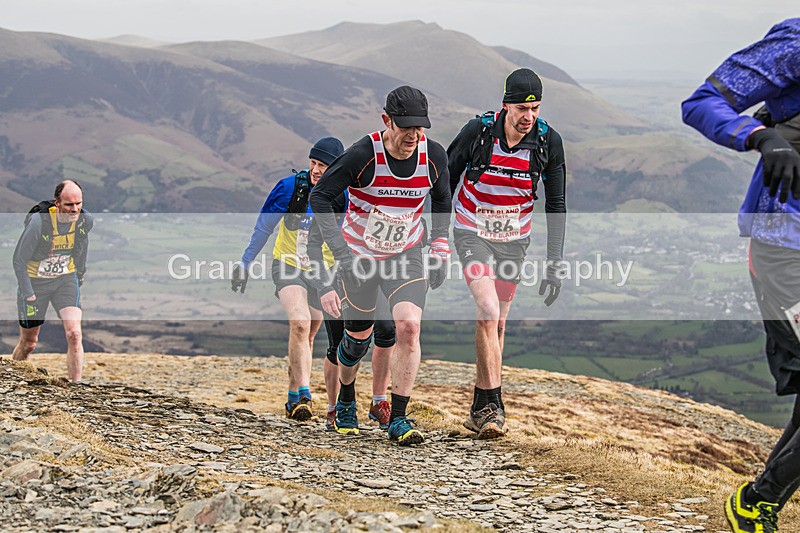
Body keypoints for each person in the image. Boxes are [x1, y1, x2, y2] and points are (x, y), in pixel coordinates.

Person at [682, 18, 800, 533]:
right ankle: (756, 502)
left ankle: (756, 506)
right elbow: (701, 103)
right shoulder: (796, 43)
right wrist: (761, 135)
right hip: (785, 248)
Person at [309, 85, 452, 445]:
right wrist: (341, 253)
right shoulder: (362, 155)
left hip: (405, 254)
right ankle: (346, 399)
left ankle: (398, 417)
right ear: (387, 120)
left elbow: (442, 198)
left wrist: (440, 243)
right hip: (360, 258)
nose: (413, 135)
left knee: (409, 327)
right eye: (406, 127)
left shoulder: (433, 156)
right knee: (357, 340)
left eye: (420, 127)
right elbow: (320, 196)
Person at [447, 68, 567, 439]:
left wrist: (554, 263)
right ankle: (495, 406)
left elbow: (556, 204)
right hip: (472, 232)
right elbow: (445, 181)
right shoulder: (478, 133)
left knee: (497, 324)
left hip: (514, 240)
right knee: (487, 309)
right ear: (505, 106)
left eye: (535, 108)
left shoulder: (547, 141)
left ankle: (478, 409)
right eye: (521, 108)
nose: (528, 116)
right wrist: (434, 240)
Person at [231, 137, 344, 422]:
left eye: (323, 165)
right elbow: (263, 227)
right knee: (300, 323)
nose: (316, 170)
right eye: (313, 163)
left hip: (322, 271)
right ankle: (305, 394)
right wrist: (245, 264)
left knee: (309, 332)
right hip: (288, 264)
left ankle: (293, 396)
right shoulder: (289, 188)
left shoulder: (344, 195)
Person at [306, 197, 396, 431]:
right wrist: (324, 286)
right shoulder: (335, 195)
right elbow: (313, 245)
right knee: (340, 345)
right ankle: (338, 406)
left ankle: (379, 402)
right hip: (335, 278)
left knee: (387, 331)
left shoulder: (378, 192)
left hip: (374, 275)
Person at [12, 180, 94, 382]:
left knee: (74, 333)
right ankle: (12, 379)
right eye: (69, 204)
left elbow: (82, 248)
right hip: (35, 282)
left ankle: (75, 387)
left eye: (78, 203)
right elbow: (19, 260)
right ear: (57, 203)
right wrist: (28, 292)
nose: (75, 209)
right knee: (29, 343)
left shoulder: (84, 220)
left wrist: (79, 277)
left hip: (65, 279)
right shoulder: (39, 222)